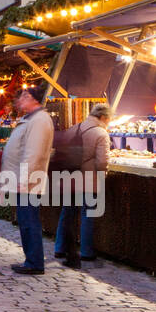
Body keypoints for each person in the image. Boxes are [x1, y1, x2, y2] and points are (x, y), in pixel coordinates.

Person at [0, 82, 55, 275]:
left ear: (31, 98)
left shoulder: (39, 120)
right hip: (22, 181)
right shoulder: (31, 118)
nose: (19, 99)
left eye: (23, 96)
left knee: (29, 221)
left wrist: (25, 180)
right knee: (25, 221)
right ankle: (30, 259)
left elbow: (33, 153)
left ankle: (34, 262)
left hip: (28, 183)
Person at [53, 104, 111, 267]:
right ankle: (86, 252)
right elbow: (102, 162)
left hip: (70, 177)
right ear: (103, 117)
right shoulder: (101, 133)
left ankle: (59, 247)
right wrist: (103, 174)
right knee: (88, 214)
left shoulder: (74, 128)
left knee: (67, 212)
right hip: (88, 180)